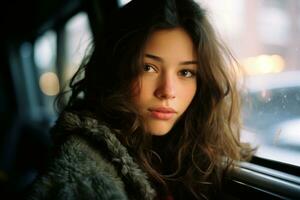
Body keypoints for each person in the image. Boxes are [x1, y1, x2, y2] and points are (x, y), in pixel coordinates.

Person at [27, 0, 253, 199]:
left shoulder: (192, 151)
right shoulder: (83, 167)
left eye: (186, 72)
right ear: (116, 69)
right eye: (148, 67)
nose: (167, 91)